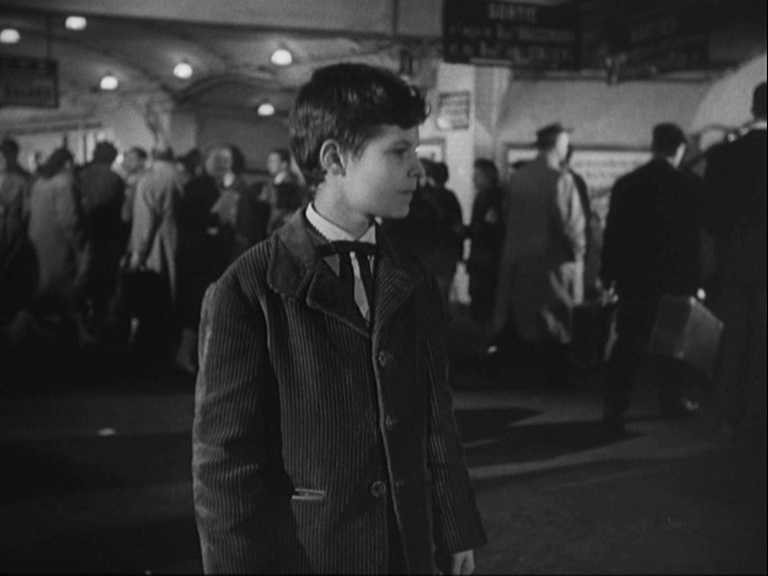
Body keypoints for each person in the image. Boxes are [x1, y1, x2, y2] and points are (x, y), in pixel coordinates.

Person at [192, 62, 486, 574]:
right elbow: (225, 464)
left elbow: (436, 416)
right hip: (309, 554)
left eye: (414, 150)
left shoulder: (411, 279)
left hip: (405, 551)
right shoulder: (247, 289)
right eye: (398, 151)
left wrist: (454, 525)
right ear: (333, 159)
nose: (417, 169)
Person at [600, 123, 704, 436]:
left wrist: (608, 273)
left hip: (634, 277)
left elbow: (614, 233)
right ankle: (670, 401)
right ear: (679, 148)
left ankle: (615, 410)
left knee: (628, 344)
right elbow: (693, 240)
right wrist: (696, 280)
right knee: (670, 344)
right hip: (673, 278)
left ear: (654, 145)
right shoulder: (688, 185)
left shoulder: (628, 184)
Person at [492, 122, 586, 388]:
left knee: (527, 319)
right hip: (554, 262)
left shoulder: (520, 177)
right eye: (565, 143)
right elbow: (571, 224)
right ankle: (555, 380)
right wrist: (579, 255)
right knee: (556, 322)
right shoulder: (560, 179)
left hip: (521, 261)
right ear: (557, 145)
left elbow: (507, 214)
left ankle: (524, 376)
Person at [704, 81, 767, 446]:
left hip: (734, 264)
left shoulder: (724, 155)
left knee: (734, 340)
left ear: (753, 108)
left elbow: (710, 215)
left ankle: (729, 416)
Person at [26, 147, 92, 343]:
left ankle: (35, 326)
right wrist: (79, 243)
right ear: (67, 163)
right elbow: (69, 219)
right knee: (68, 285)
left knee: (42, 285)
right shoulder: (64, 183)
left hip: (38, 241)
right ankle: (79, 331)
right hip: (59, 243)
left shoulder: (39, 182)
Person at [127, 146, 181, 363]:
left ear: (151, 157)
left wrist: (137, 254)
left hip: (157, 245)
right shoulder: (182, 177)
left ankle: (151, 350)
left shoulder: (149, 180)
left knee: (154, 294)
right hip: (179, 241)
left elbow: (145, 222)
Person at [78, 141, 126, 336]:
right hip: (108, 235)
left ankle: (83, 319)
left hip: (85, 233)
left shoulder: (81, 175)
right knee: (104, 280)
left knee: (85, 277)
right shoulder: (115, 178)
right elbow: (121, 208)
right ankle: (100, 318)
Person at [466, 158, 505, 325]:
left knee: (481, 303)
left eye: (477, 175)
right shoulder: (495, 195)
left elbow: (487, 228)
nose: (473, 179)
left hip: (485, 259)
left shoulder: (488, 197)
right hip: (489, 259)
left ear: (487, 176)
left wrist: (468, 230)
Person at [263, 147, 305, 233]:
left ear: (284, 164)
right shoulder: (274, 184)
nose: (269, 164)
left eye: (273, 161)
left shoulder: (289, 184)